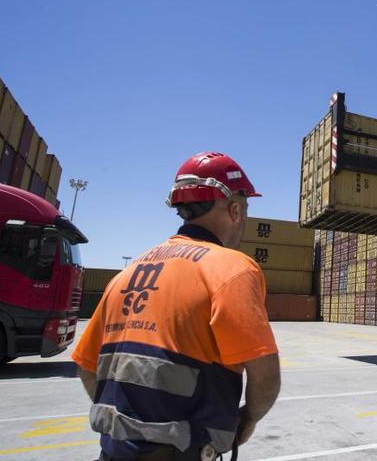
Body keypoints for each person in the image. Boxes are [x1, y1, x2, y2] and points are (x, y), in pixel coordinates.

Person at [72, 152, 281, 461]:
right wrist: (247, 419)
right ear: (235, 209)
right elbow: (265, 377)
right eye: (246, 208)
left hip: (113, 451)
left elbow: (86, 365)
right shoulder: (232, 269)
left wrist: (130, 426)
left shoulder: (127, 274)